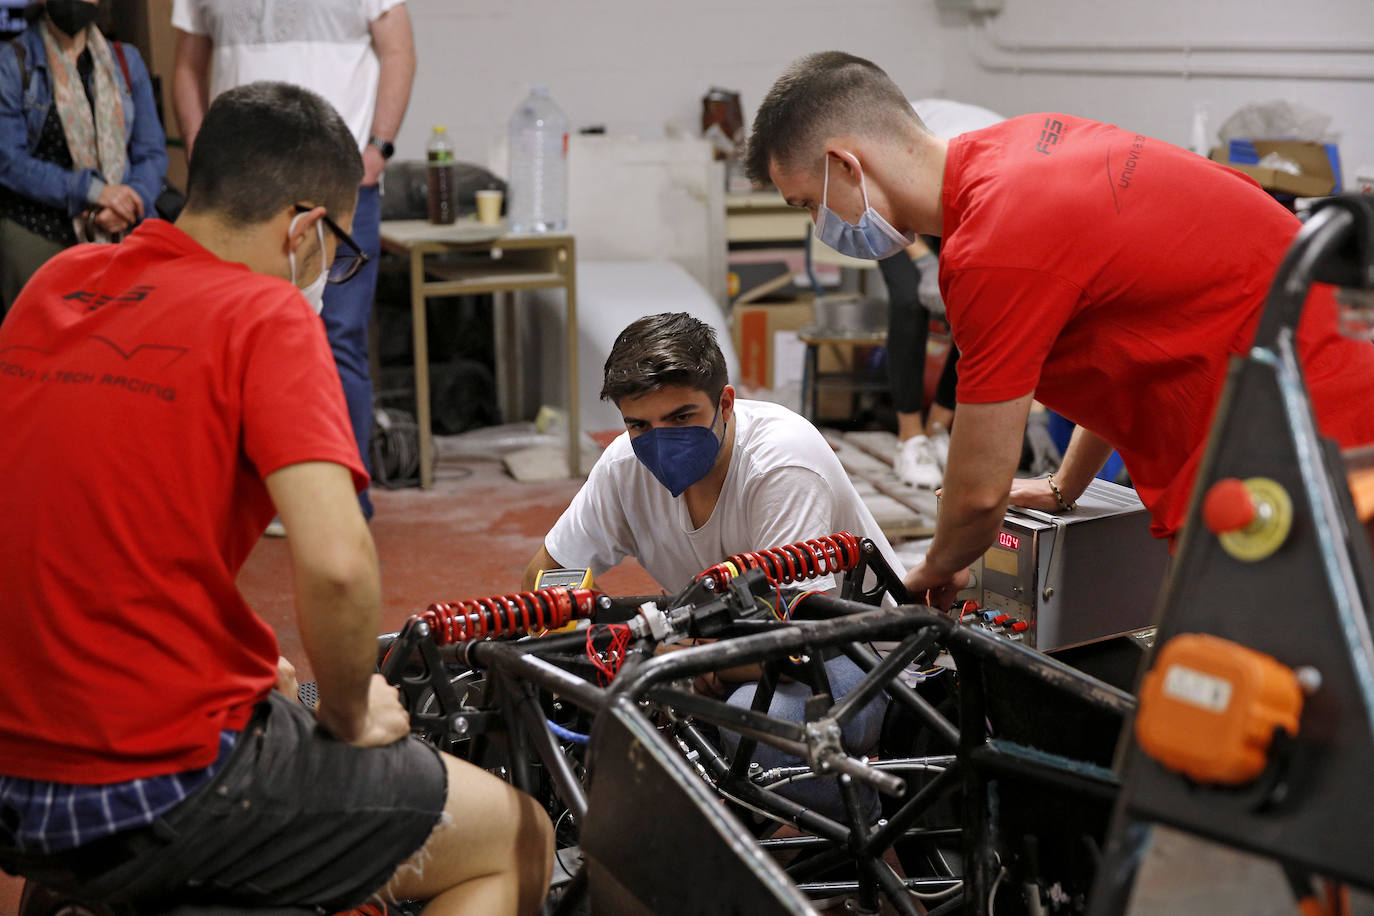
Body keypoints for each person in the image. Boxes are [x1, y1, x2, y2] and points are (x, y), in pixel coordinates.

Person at [0, 82, 551, 915]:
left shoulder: (59, 282)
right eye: (340, 246)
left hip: (15, 769)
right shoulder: (263, 315)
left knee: (270, 689)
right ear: (303, 230)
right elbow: (335, 566)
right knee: (515, 837)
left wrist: (248, 660)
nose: (331, 267)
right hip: (146, 782)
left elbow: (93, 523)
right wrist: (348, 707)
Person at [745, 51, 1374, 610]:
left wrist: (933, 571)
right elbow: (1123, 334)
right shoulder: (1021, 148)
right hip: (1319, 399)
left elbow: (976, 496)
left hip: (1307, 438)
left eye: (807, 203)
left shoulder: (991, 244)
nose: (818, 224)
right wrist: (1065, 484)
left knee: (1275, 693)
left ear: (845, 165)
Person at [522, 311, 903, 819]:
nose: (658, 439)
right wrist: (575, 633)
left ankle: (851, 842)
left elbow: (796, 643)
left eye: (681, 418)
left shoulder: (779, 464)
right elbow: (546, 574)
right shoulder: (623, 468)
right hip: (722, 649)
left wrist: (679, 658)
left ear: (726, 403)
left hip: (852, 659)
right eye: (639, 424)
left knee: (760, 722)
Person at [172, 0, 417, 522]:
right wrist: (198, 147)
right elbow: (189, 62)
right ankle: (241, 502)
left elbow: (399, 50)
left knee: (337, 339)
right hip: (238, 184)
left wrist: (377, 149)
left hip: (341, 180)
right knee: (227, 338)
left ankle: (341, 504)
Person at [0, 0, 167, 314]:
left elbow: (151, 152)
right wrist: (95, 193)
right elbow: (9, 161)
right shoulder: (11, 62)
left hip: (125, 228)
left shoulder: (126, 60)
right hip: (40, 229)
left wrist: (129, 202)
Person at [883, 99, 1003, 489]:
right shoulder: (920, 149)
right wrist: (923, 263)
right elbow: (887, 205)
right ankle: (909, 437)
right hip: (892, 200)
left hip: (958, 201)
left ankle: (938, 427)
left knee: (977, 306)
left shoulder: (1006, 180)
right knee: (909, 300)